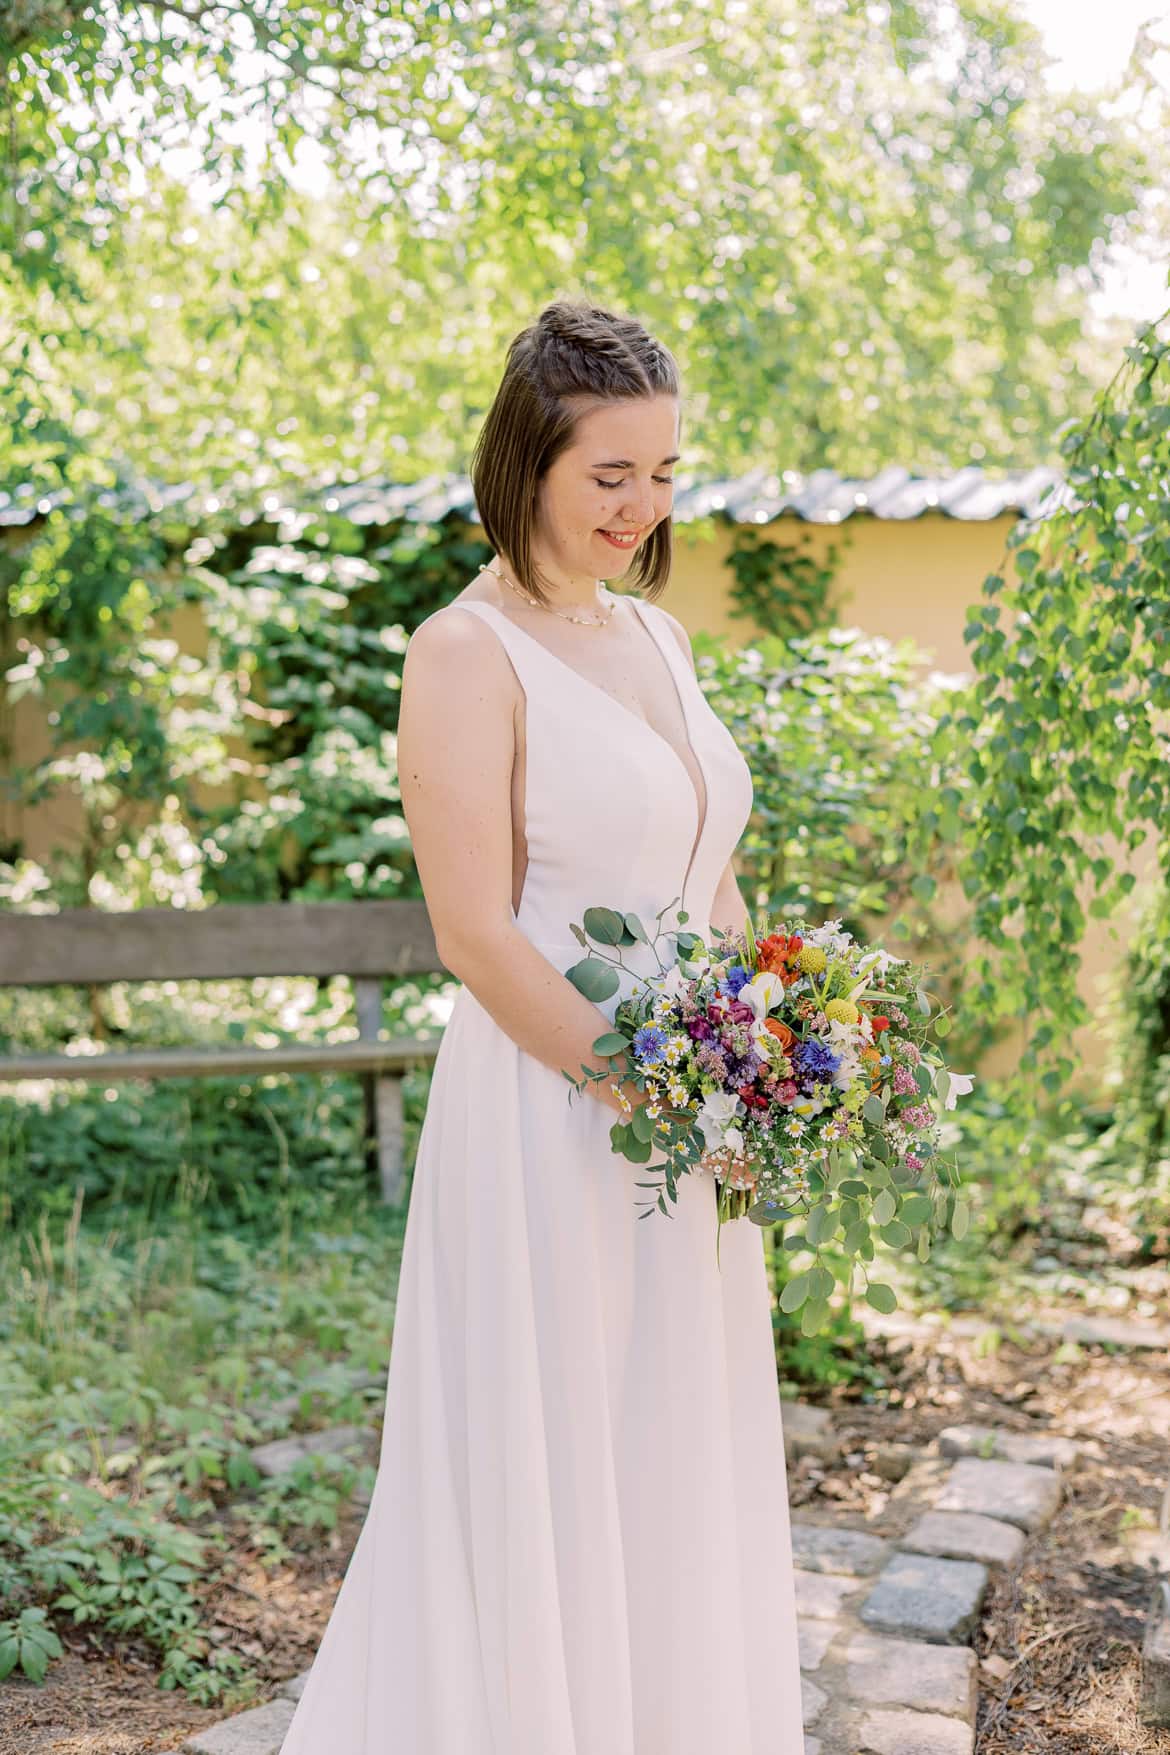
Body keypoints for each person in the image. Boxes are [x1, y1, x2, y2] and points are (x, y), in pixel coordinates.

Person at [278, 299, 806, 1753]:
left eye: (665, 471)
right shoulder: (463, 652)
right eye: (608, 475)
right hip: (551, 1110)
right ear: (526, 463)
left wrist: (762, 1055)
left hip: (691, 1114)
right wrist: (646, 1089)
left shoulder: (656, 634)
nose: (643, 507)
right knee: (553, 1436)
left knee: (670, 1435)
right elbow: (474, 933)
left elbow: (706, 869)